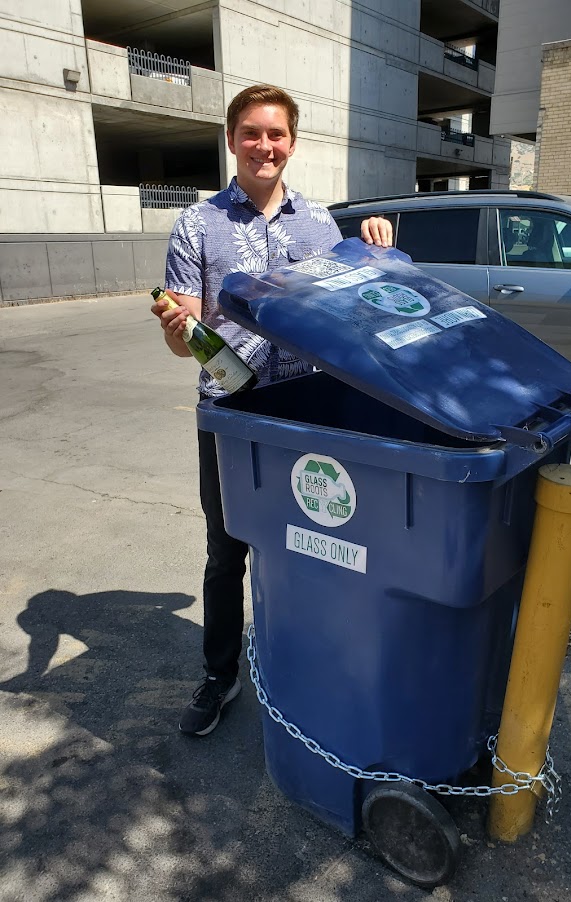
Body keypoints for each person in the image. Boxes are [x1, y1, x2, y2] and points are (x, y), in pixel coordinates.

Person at [152, 84, 392, 737]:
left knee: (318, 546)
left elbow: (351, 317)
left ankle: (314, 662)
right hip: (231, 412)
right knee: (226, 551)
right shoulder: (197, 226)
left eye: (276, 134)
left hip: (311, 410)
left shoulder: (319, 225)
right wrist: (177, 328)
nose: (265, 146)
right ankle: (219, 675)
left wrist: (374, 254)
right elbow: (184, 338)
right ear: (231, 139)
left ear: (291, 141)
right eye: (252, 133)